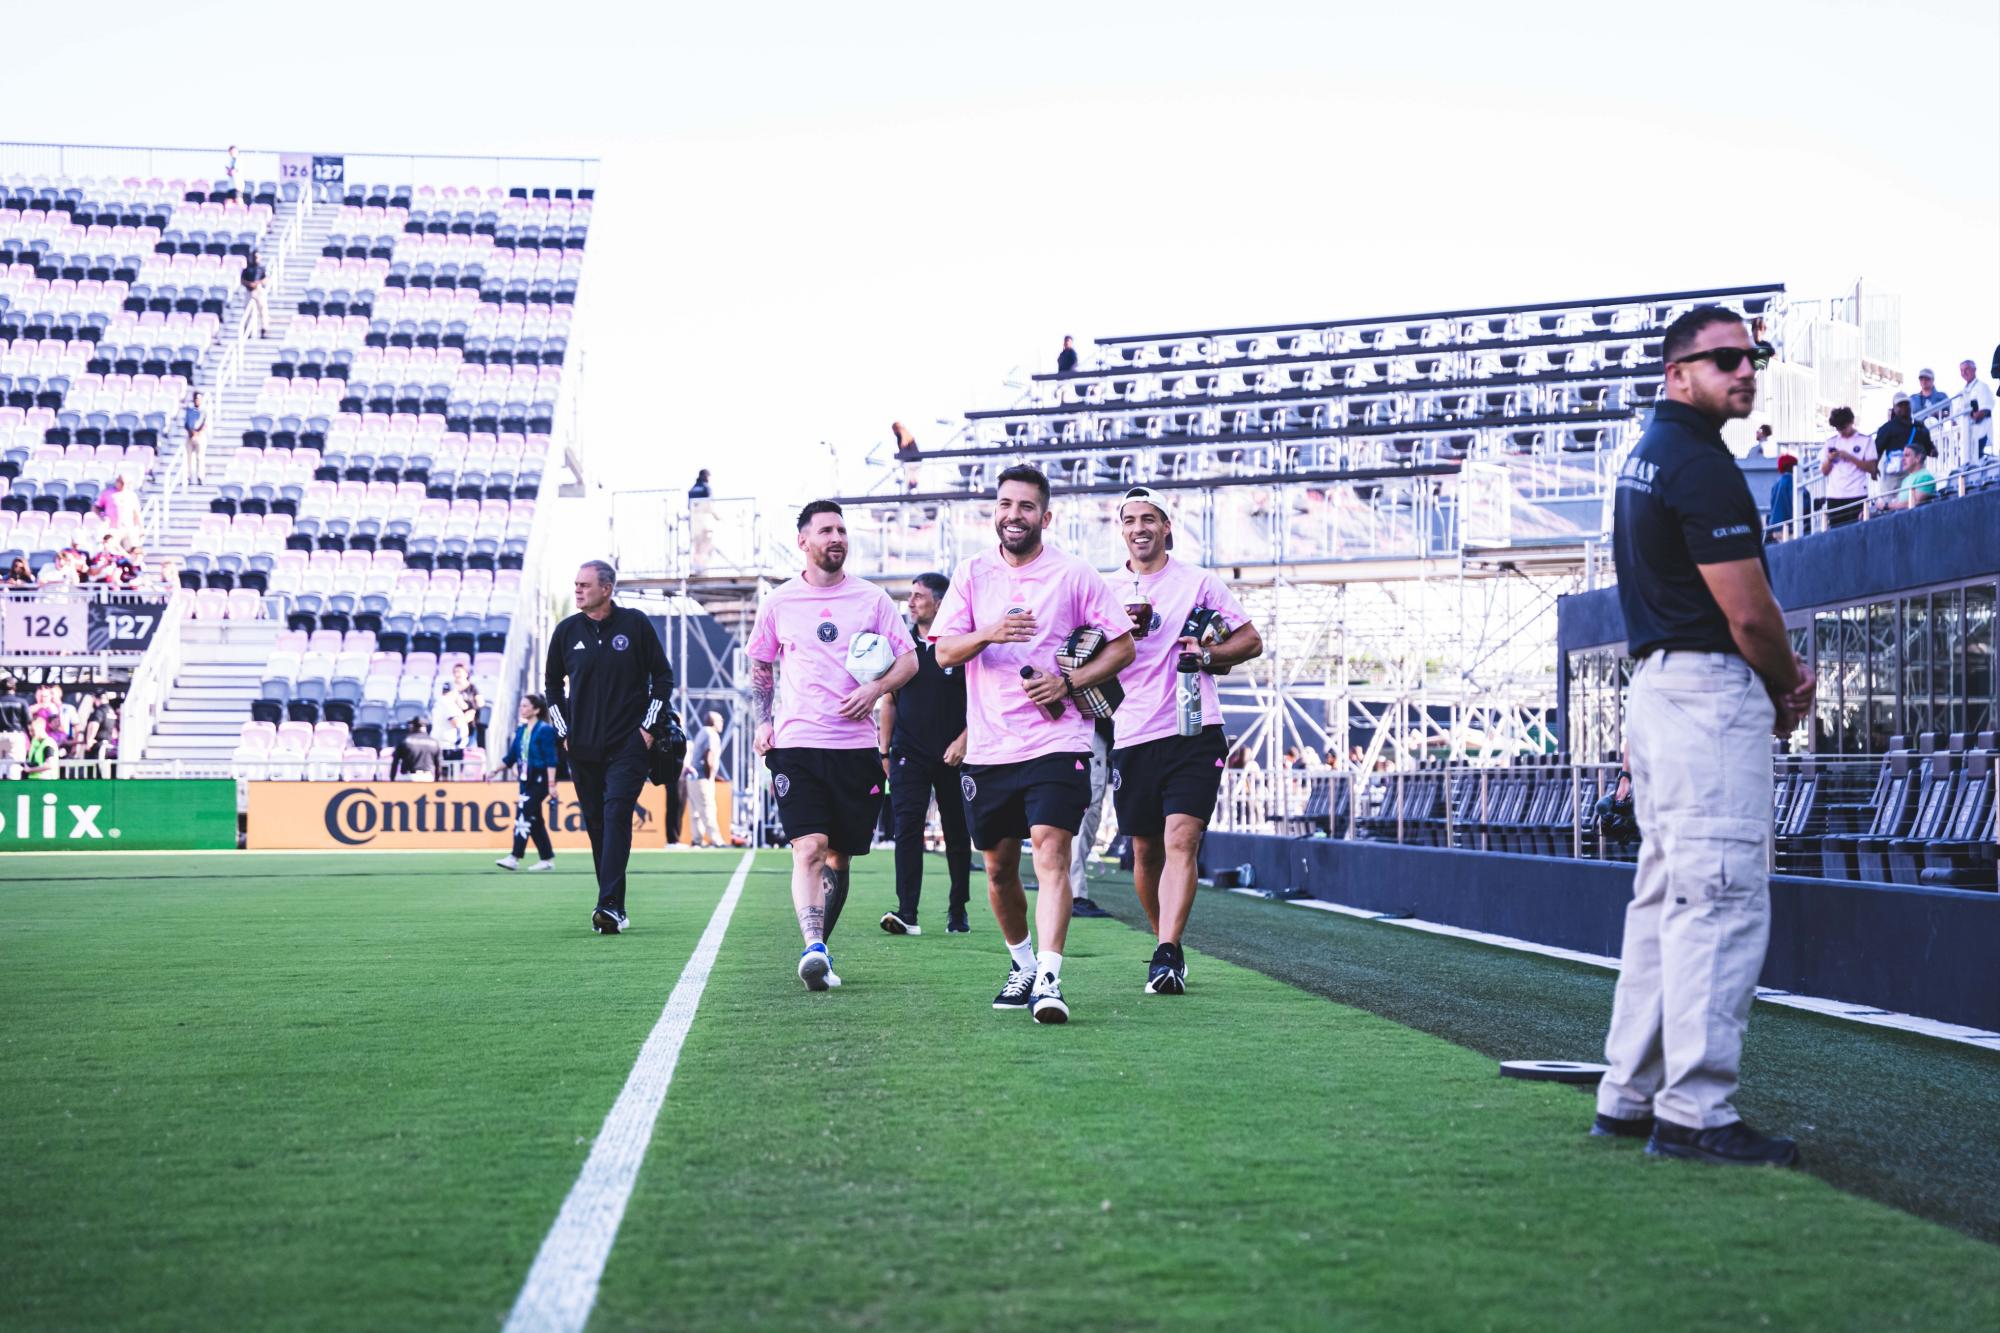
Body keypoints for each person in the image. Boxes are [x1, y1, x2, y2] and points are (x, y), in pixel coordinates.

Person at [1599, 304, 1813, 1166]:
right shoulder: (1698, 464)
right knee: (1718, 896)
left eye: (1752, 355)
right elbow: (1748, 610)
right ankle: (1696, 1111)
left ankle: (1631, 1093)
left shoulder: (1646, 457)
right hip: (1704, 690)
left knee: (1665, 900)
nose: (1745, 369)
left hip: (1658, 686)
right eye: (1724, 358)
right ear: (1676, 372)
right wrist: (1788, 682)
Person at [933, 464, 1135, 1023]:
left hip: (1058, 738)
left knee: (1051, 851)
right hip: (990, 747)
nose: (1013, 515)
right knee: (997, 870)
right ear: (994, 512)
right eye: (1005, 505)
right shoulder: (972, 574)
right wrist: (990, 632)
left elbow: (1122, 648)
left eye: (1025, 507)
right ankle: (1021, 963)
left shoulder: (1074, 575)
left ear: (1046, 516)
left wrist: (1068, 682)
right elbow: (944, 653)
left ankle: (1049, 979)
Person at [748, 501, 916, 989]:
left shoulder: (872, 599)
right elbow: (761, 664)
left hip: (856, 750)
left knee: (839, 856)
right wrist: (763, 721)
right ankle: (813, 947)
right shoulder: (779, 601)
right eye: (826, 530)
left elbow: (909, 661)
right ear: (804, 541)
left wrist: (875, 689)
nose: (837, 537)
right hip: (797, 743)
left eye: (842, 530)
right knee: (810, 848)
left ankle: (820, 949)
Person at [1108, 486, 1265, 993]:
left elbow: (1250, 640)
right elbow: (1077, 649)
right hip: (1131, 731)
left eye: (1149, 518)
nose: (1140, 528)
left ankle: (1168, 950)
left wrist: (1207, 656)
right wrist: (1113, 638)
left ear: (1166, 526)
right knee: (1145, 850)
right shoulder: (1104, 588)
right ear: (1122, 530)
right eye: (1130, 520)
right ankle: (1164, 945)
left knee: (1183, 838)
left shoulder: (1198, 582)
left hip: (1194, 726)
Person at [545, 560, 676, 936]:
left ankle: (609, 906)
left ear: (607, 589)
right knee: (598, 825)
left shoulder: (635, 625)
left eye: (585, 585)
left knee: (617, 812)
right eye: (576, 584)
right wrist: (564, 732)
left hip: (629, 745)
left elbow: (662, 676)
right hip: (581, 748)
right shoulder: (566, 631)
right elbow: (552, 685)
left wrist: (648, 727)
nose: (578, 590)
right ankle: (612, 902)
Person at [876, 572, 974, 936]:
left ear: (939, 602)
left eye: (919, 596)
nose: (912, 602)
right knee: (907, 829)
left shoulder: (962, 646)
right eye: (911, 596)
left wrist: (964, 740)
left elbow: (983, 699)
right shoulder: (901, 645)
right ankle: (907, 913)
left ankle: (958, 910)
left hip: (955, 755)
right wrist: (884, 752)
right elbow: (889, 700)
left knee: (957, 831)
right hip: (908, 754)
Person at [494, 693, 558, 871]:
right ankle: (546, 859)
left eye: (525, 706)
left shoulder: (545, 730)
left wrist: (552, 785)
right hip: (525, 779)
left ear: (536, 709)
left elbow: (551, 759)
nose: (521, 709)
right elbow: (511, 757)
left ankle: (514, 857)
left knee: (523, 812)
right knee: (534, 818)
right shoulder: (521, 731)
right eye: (521, 705)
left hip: (541, 779)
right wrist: (494, 771)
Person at [1066, 718, 1116, 919]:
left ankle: (1065, 891)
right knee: (1085, 813)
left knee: (1080, 815)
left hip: (1074, 735)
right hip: (1086, 733)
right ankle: (1075, 894)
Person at [1816, 406, 1875, 528]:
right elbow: (1824, 471)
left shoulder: (1865, 440)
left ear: (1851, 422)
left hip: (1857, 493)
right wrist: (1829, 460)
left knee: (1858, 531)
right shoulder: (1831, 442)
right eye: (1838, 428)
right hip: (1835, 495)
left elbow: (1872, 467)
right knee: (1835, 533)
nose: (1841, 431)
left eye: (1843, 427)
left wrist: (1849, 457)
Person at [687, 711, 726, 848]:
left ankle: (697, 840)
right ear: (713, 722)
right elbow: (708, 756)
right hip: (702, 777)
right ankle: (717, 840)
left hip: (693, 776)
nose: (722, 722)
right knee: (707, 808)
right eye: (720, 720)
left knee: (696, 811)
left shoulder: (702, 732)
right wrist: (710, 777)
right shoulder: (711, 733)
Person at [1881, 430, 1939, 512]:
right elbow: (1898, 503)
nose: (1903, 459)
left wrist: (1886, 506)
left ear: (1918, 458)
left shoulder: (1925, 477)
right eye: (1903, 456)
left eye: (1907, 455)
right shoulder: (1906, 479)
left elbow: (1914, 502)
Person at [1954, 358, 1993, 465]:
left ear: (1974, 370)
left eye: (1967, 369)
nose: (1964, 372)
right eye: (1961, 370)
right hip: (1965, 436)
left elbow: (1984, 410)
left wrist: (1971, 416)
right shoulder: (1962, 392)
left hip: (1981, 432)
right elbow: (1957, 415)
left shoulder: (1982, 387)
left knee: (1978, 462)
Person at [389, 716, 441, 781]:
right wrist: (437, 781)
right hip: (427, 777)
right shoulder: (434, 742)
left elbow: (395, 762)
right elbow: (438, 764)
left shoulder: (405, 740)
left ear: (413, 726)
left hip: (409, 777)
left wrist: (392, 779)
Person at [93, 474, 141, 542]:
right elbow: (96, 507)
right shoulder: (107, 493)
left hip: (127, 529)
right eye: (121, 482)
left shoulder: (132, 495)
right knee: (113, 549)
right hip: (112, 529)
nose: (122, 484)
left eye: (125, 483)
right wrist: (102, 517)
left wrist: (141, 528)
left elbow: (136, 513)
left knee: (129, 549)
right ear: (117, 481)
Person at [449, 661, 483, 747]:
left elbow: (480, 703)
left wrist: (473, 710)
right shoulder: (451, 689)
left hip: (470, 725)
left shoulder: (472, 688)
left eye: (459, 671)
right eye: (455, 672)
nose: (457, 674)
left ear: (466, 673)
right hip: (455, 726)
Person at [1765, 454, 1798, 539]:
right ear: (1792, 467)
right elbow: (1798, 502)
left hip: (1775, 527)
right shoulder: (1792, 481)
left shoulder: (1776, 484)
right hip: (1788, 527)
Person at [241, 248, 269, 338]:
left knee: (263, 309)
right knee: (247, 311)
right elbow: (242, 280)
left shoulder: (261, 268)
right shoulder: (247, 269)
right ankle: (247, 330)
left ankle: (264, 329)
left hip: (258, 290)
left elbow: (265, 279)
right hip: (249, 291)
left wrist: (258, 283)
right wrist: (249, 284)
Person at [182, 391, 208, 483]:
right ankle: (188, 476)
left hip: (199, 436)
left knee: (199, 457)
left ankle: (200, 476)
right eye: (196, 398)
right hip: (190, 436)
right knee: (188, 457)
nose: (197, 400)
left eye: (199, 399)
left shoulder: (204, 410)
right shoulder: (189, 410)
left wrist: (197, 432)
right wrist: (190, 431)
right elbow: (185, 423)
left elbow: (204, 423)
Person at [430, 682, 463, 751]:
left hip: (439, 742)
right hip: (447, 745)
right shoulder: (448, 703)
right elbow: (456, 723)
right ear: (454, 691)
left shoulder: (439, 701)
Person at [23, 714, 57, 780]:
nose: (30, 733)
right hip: (34, 780)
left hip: (46, 781)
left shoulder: (48, 743)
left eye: (33, 730)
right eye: (29, 730)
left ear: (41, 728)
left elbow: (49, 765)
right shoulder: (34, 741)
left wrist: (30, 769)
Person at [892, 421, 921, 493]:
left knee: (910, 477)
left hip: (911, 460)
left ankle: (912, 491)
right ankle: (913, 490)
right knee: (912, 476)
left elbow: (903, 444)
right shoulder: (903, 433)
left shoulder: (902, 432)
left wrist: (901, 454)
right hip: (913, 460)